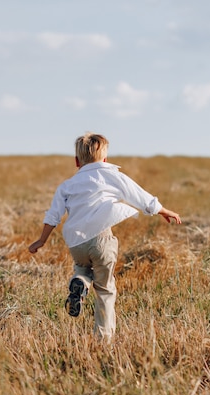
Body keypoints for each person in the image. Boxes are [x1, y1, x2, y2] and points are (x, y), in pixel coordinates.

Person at [28, 132, 182, 341]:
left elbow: (53, 216)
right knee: (105, 289)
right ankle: (104, 339)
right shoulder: (112, 175)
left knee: (82, 268)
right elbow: (139, 196)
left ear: (76, 161)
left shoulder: (67, 185)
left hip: (76, 243)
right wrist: (163, 210)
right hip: (101, 240)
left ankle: (80, 281)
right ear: (105, 159)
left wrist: (41, 240)